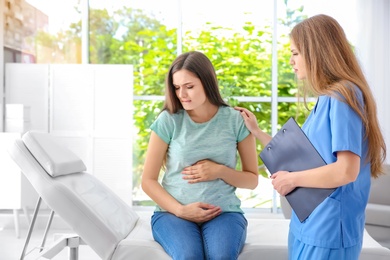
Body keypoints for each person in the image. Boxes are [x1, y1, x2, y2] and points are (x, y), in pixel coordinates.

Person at [236, 14, 387, 259]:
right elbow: (299, 155)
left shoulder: (342, 97)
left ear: (316, 51)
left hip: (328, 227)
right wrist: (257, 132)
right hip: (308, 221)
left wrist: (291, 179)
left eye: (295, 53)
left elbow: (346, 170)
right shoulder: (326, 99)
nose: (291, 60)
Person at [141, 51, 259, 260]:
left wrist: (219, 171)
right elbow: (148, 181)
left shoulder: (236, 121)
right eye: (177, 88)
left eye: (189, 86)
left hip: (224, 213)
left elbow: (251, 180)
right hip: (172, 215)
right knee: (189, 256)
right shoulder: (169, 120)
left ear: (207, 82)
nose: (182, 94)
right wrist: (180, 210)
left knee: (221, 256)